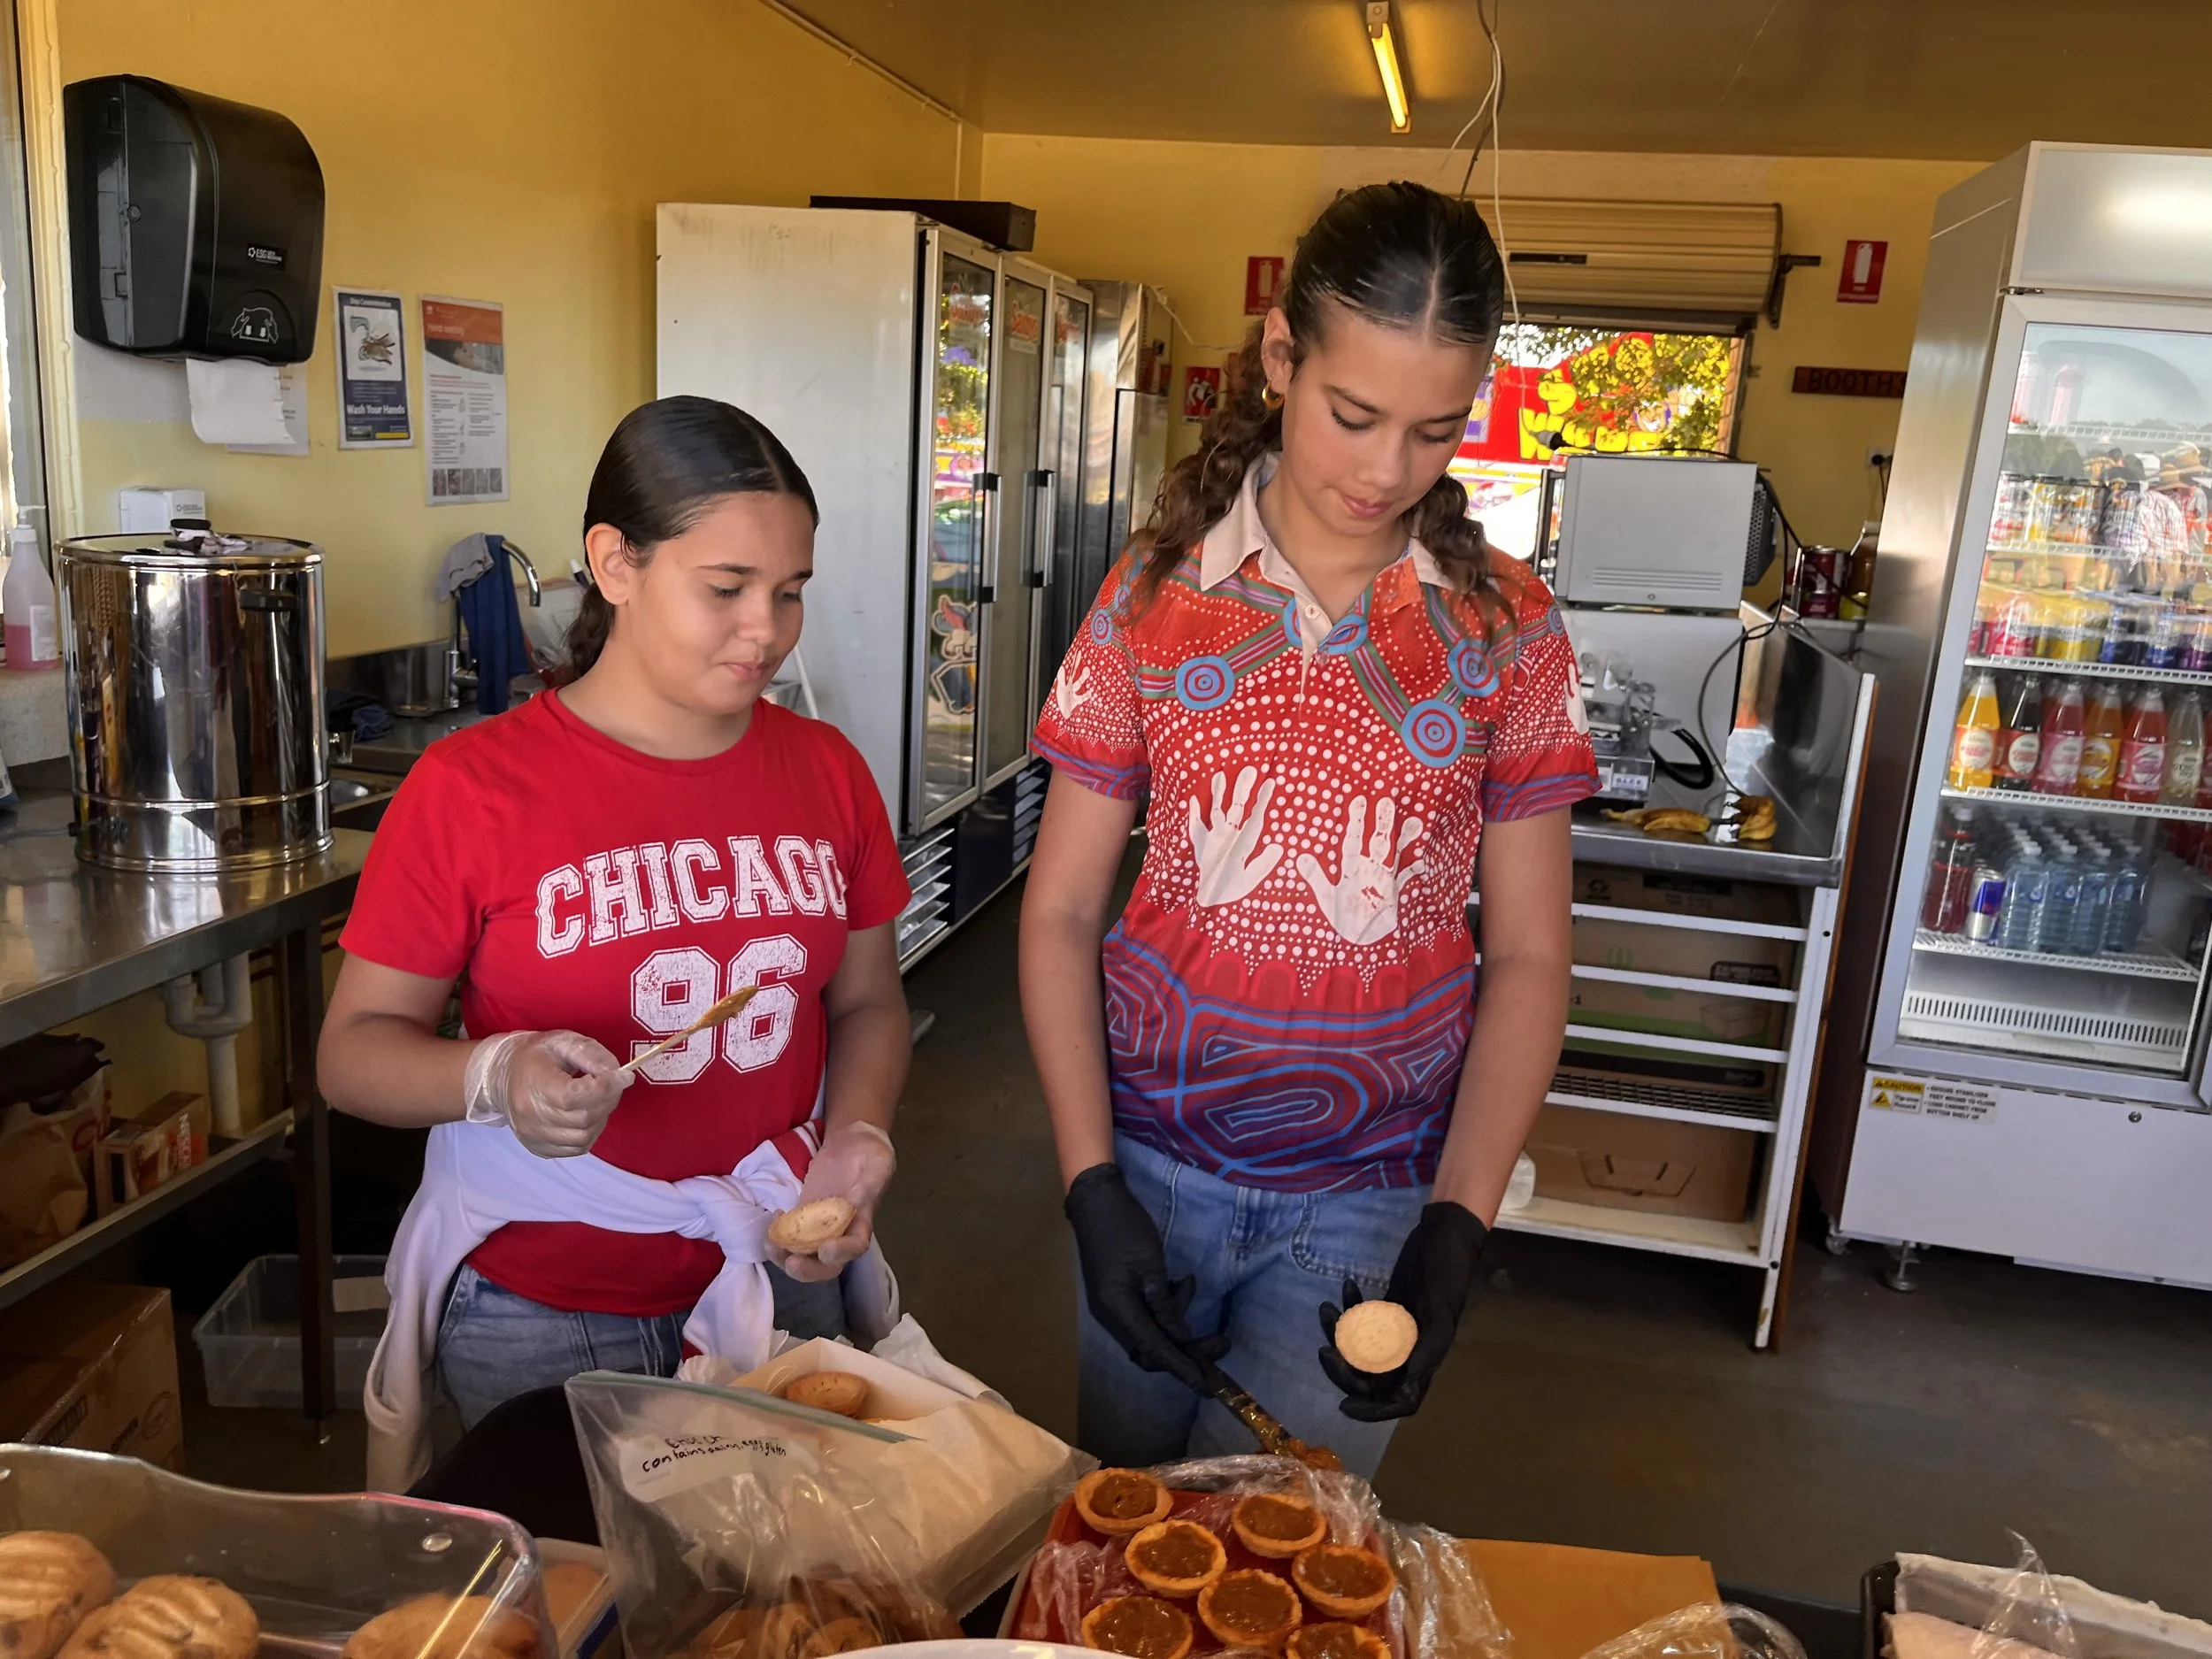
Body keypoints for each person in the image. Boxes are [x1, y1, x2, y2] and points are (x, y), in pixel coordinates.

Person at [1021, 181, 1597, 1478]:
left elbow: (1528, 955)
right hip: (1147, 1169)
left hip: (1373, 1198)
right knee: (1124, 1522)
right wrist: (1089, 1184)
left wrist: (1458, 1219)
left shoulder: (1507, 628)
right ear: (1282, 357)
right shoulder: (1151, 596)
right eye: (1353, 414)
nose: (1386, 470)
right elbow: (1057, 909)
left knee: (1287, 1539)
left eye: (1436, 429)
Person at [322, 396, 913, 1482]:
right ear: (614, 563)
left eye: (790, 592)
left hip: (779, 1271)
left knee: (791, 1572)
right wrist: (493, 1075)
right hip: (546, 1312)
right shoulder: (472, 789)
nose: (767, 630)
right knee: (583, 1580)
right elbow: (353, 1052)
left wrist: (857, 1134)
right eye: (726, 588)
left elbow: (868, 998)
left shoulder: (826, 770)